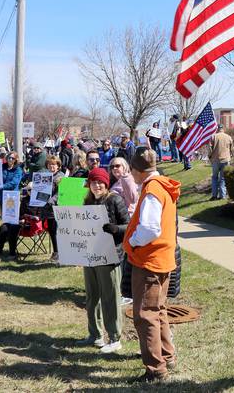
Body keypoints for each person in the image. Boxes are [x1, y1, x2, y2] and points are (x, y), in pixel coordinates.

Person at [123, 148, 181, 383]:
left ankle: (155, 369)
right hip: (163, 258)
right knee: (159, 310)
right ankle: (167, 356)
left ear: (137, 171)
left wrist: (133, 242)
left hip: (149, 260)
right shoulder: (162, 186)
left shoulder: (151, 190)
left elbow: (149, 228)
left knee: (145, 314)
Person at [77, 167, 130, 353]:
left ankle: (115, 337)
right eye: (93, 182)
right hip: (91, 255)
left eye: (100, 182)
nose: (97, 185)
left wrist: (116, 229)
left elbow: (129, 225)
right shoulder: (87, 202)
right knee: (92, 297)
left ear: (106, 184)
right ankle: (95, 335)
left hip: (110, 256)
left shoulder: (115, 199)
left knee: (110, 297)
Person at [0, 151, 25, 259]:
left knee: (11, 222)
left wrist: (0, 187)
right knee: (4, 221)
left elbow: (14, 183)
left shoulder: (18, 170)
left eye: (12, 158)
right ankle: (0, 249)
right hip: (1, 196)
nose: (10, 160)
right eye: (8, 157)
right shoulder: (1, 167)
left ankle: (11, 250)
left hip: (12, 197)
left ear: (16, 159)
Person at [43, 155, 64, 261]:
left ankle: (58, 252)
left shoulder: (61, 177)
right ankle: (56, 252)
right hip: (46, 208)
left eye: (54, 164)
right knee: (51, 230)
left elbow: (60, 193)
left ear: (58, 166)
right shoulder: (45, 176)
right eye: (50, 164)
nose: (52, 166)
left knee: (55, 231)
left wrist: (50, 201)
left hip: (57, 208)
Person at [209, 124, 233, 200]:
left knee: (214, 178)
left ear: (217, 129)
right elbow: (232, 149)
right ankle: (222, 196)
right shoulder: (228, 137)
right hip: (226, 159)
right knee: (223, 178)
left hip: (216, 160)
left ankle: (214, 195)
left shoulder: (213, 136)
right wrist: (230, 156)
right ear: (223, 129)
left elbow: (210, 149)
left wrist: (209, 156)